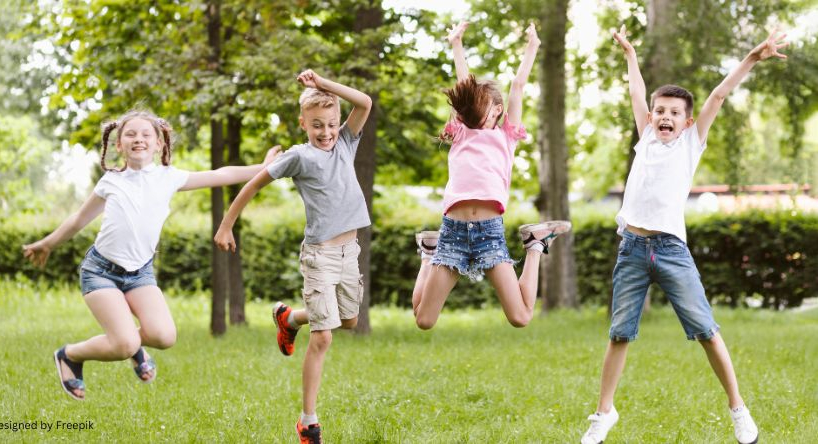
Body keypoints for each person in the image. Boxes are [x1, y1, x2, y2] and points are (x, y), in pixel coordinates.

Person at [580, 26, 788, 444]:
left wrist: (751, 57)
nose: (665, 117)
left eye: (674, 112)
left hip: (672, 251)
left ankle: (738, 408)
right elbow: (636, 92)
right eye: (660, 111)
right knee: (619, 332)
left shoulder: (691, 143)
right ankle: (604, 413)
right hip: (633, 249)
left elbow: (719, 95)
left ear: (688, 121)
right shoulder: (645, 139)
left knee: (706, 331)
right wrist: (631, 56)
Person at [22, 110, 281, 401]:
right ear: (118, 145)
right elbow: (77, 220)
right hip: (100, 272)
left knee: (164, 336)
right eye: (130, 134)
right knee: (122, 344)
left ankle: (134, 346)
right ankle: (69, 355)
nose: (138, 139)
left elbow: (221, 175)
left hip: (139, 274)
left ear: (159, 144)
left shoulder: (168, 177)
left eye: (146, 134)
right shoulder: (111, 181)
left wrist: (262, 167)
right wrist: (47, 243)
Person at [214, 69, 372, 444]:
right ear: (303, 123)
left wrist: (324, 85)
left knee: (348, 322)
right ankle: (308, 421)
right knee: (324, 338)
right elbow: (253, 183)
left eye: (331, 124)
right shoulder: (298, 157)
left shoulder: (347, 144)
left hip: (351, 252)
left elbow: (364, 102)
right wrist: (226, 224)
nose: (326, 131)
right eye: (317, 125)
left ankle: (289, 318)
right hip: (320, 255)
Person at [411, 21, 571, 330]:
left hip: (489, 234)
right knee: (424, 319)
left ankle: (535, 245)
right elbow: (464, 81)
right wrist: (456, 44)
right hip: (453, 232)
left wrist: (533, 47)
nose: (481, 108)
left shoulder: (506, 136)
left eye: (487, 104)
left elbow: (519, 86)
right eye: (475, 103)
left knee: (520, 317)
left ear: (498, 110)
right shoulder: (461, 132)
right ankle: (428, 255)